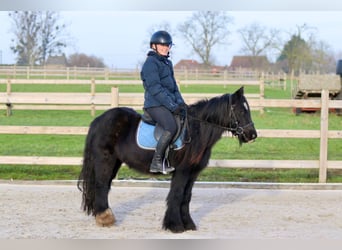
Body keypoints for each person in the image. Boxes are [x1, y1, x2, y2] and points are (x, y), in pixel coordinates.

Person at [140, 30, 187, 174]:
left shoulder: (167, 63)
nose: (166, 48)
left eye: (168, 45)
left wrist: (181, 104)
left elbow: (173, 87)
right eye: (162, 46)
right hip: (154, 104)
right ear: (154, 46)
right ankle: (157, 162)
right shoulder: (150, 64)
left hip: (166, 103)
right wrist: (172, 106)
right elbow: (155, 89)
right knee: (171, 127)